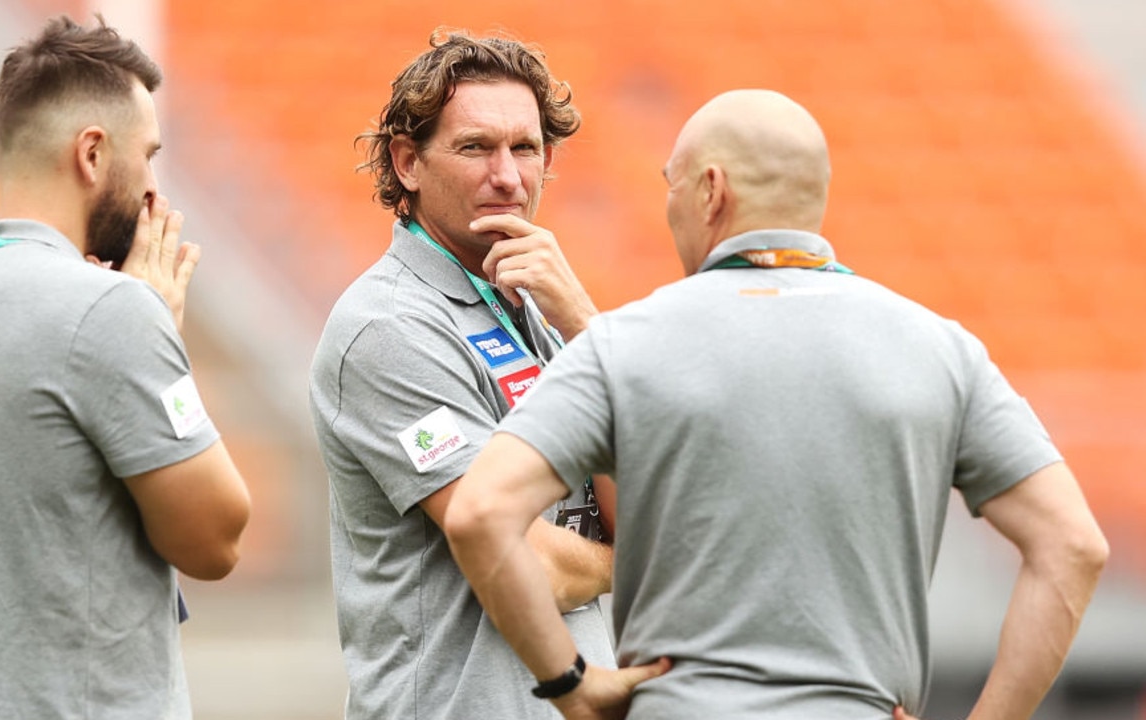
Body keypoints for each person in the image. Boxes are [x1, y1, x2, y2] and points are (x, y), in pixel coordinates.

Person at [445, 88, 1109, 720]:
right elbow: (1073, 546)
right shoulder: (941, 349)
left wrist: (572, 685)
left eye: (671, 186)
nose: (669, 207)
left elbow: (479, 514)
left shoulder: (626, 343)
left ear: (712, 191)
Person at [0, 15, 251, 718]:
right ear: (92, 153)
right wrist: (158, 336)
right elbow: (218, 538)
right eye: (146, 155)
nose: (154, 188)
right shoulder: (112, 312)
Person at [309, 30, 617, 719]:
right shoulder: (386, 329)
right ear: (408, 163)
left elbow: (648, 504)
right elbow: (522, 559)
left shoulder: (537, 306)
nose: (507, 176)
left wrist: (586, 327)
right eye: (476, 148)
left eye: (526, 148)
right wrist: (633, 568)